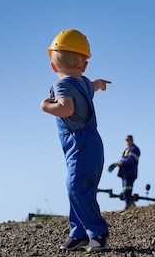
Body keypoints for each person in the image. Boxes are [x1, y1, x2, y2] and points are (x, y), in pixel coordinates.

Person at [40, 29, 111, 252]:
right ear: (84, 66)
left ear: (53, 65)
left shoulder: (60, 86)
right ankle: (78, 233)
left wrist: (45, 106)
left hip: (78, 143)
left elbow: (66, 108)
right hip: (93, 143)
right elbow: (94, 85)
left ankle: (97, 232)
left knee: (76, 188)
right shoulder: (84, 82)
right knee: (80, 187)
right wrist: (100, 83)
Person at [108, 135, 141, 209]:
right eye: (126, 140)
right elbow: (124, 159)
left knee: (127, 191)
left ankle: (129, 206)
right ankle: (130, 205)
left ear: (132, 140)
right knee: (125, 191)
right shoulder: (127, 150)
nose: (127, 142)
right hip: (125, 173)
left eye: (128, 140)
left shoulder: (135, 149)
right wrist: (117, 164)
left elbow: (130, 159)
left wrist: (121, 163)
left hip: (130, 173)